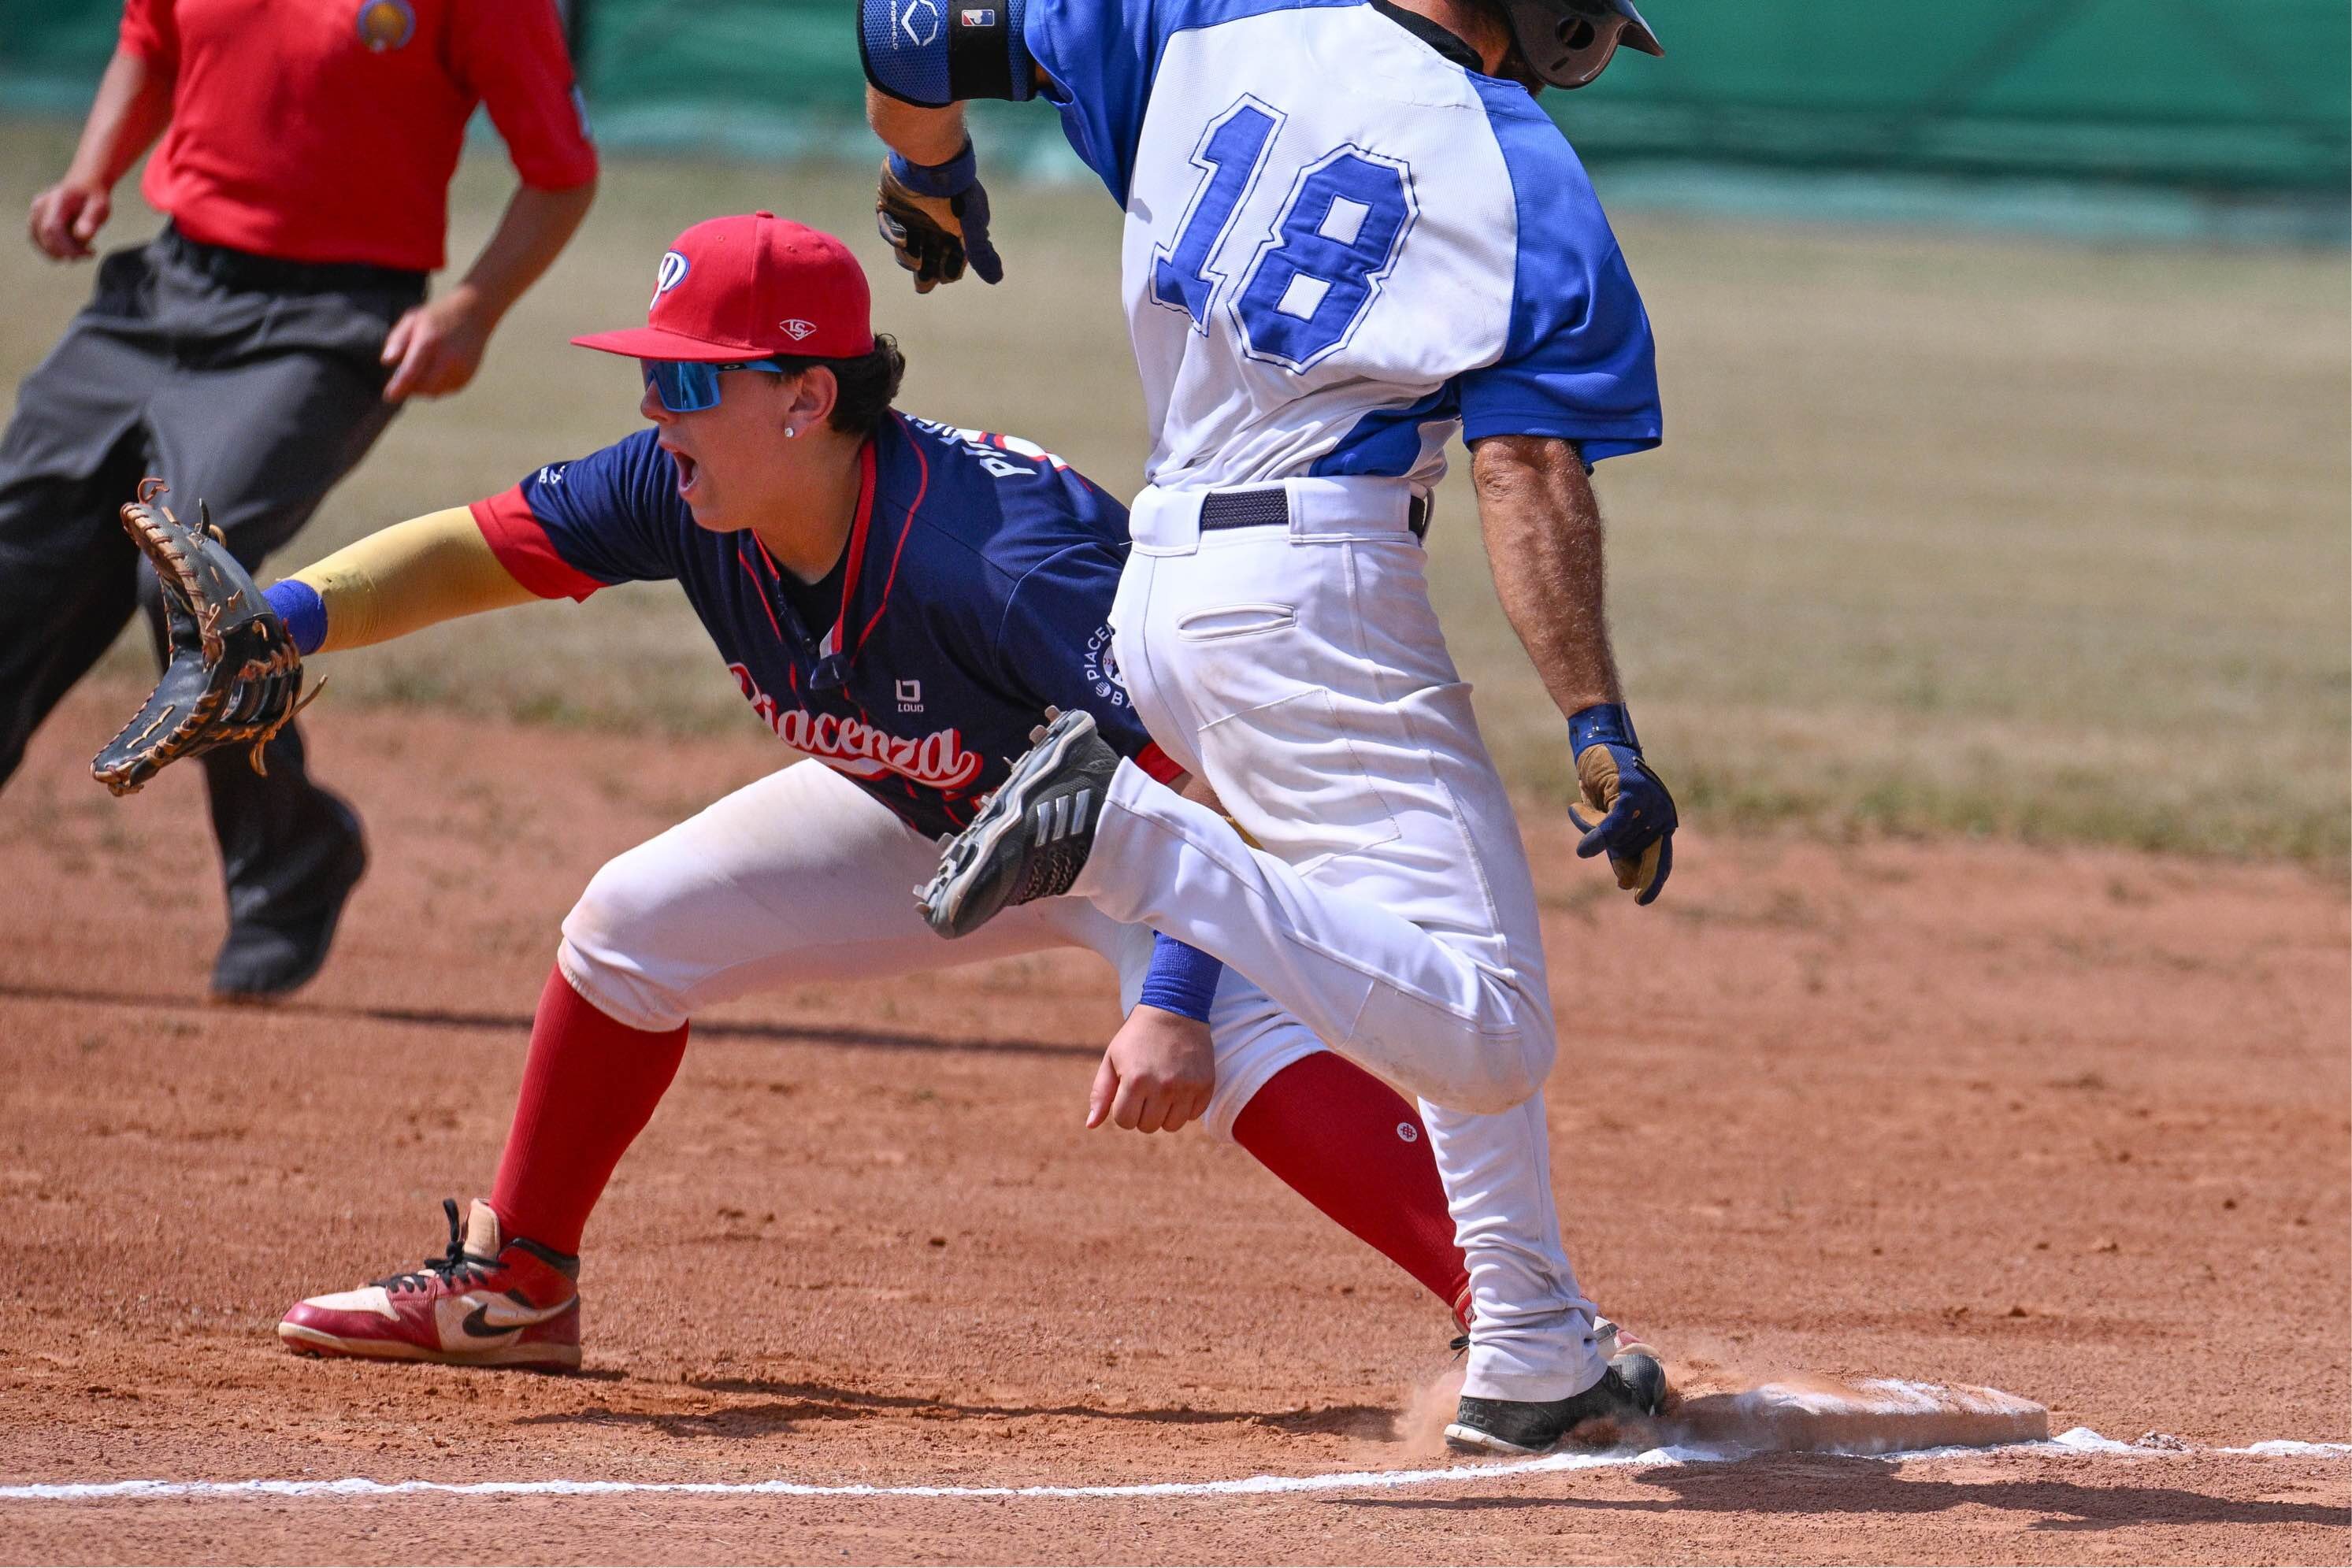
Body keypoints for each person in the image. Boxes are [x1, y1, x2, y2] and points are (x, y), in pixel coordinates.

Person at [202, 213, 1525, 1373]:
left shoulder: (992, 561)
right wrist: (283, 621)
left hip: (1138, 816)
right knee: (628, 926)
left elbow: (1185, 752)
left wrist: (1171, 1001)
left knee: (1220, 1030)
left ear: (802, 400)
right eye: (652, 375)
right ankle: (518, 1287)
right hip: (939, 813)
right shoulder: (683, 486)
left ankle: (1525, 1325)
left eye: (687, 378)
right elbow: (479, 549)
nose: (655, 408)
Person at [863, 0, 1681, 1453]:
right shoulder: (1517, 168)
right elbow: (1528, 473)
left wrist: (926, 175)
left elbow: (909, 29)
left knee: (1443, 927)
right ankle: (1128, 839)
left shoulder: (1204, 20)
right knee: (1488, 1034)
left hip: (1159, 580)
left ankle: (1534, 1345)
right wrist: (1598, 718)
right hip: (1315, 595)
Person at [3, 0, 598, 997]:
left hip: (333, 319)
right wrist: (90, 175)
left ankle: (291, 857)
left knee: (195, 580)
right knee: (16, 565)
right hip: (160, 289)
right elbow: (151, 44)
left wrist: (470, 308)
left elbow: (562, 173)